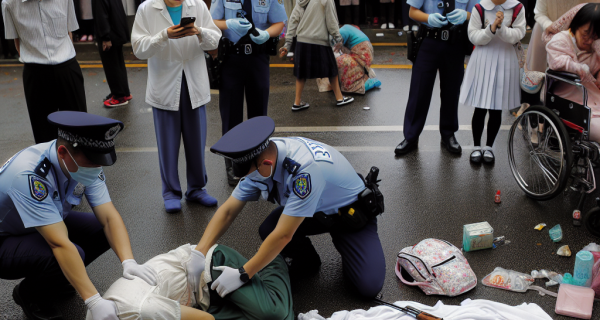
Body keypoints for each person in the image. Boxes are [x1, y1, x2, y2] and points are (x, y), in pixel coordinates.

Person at [185, 116, 386, 299]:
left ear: (266, 163)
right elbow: (228, 211)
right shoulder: (261, 158)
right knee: (268, 229)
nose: (245, 181)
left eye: (248, 175)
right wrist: (199, 252)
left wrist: (243, 274)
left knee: (368, 286)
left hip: (350, 216)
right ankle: (308, 263)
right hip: (316, 211)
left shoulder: (304, 171)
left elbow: (283, 235)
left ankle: (350, 249)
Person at [0, 111, 157, 320]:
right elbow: (59, 243)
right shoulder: (30, 175)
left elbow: (109, 217)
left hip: (37, 225)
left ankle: (59, 278)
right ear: (63, 152)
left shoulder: (82, 164)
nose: (97, 168)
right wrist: (93, 300)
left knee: (99, 230)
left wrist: (129, 262)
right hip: (5, 240)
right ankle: (31, 294)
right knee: (65, 253)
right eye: (92, 162)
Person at [131, 0, 222, 213]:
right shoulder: (147, 8)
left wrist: (199, 31)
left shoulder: (197, 5)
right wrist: (163, 36)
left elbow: (215, 39)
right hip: (164, 85)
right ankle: (171, 192)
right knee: (167, 144)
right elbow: (138, 49)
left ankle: (197, 188)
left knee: (196, 141)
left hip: (193, 82)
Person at [86, 243, 293, 320]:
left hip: (210, 269)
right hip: (198, 301)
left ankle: (273, 260)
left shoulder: (142, 311)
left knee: (275, 314)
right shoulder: (95, 315)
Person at [210, 0, 286, 187]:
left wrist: (267, 33)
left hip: (258, 60)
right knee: (231, 115)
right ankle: (234, 167)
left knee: (259, 115)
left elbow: (279, 23)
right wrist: (229, 24)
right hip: (231, 59)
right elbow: (212, 21)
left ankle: (259, 164)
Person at [394, 0, 479, 156]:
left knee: (451, 92)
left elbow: (478, 12)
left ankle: (448, 134)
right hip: (429, 41)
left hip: (455, 43)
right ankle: (411, 136)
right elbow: (412, 12)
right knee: (419, 90)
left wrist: (465, 15)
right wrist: (428, 18)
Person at [1, 0, 88, 144]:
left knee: (79, 130)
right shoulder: (9, 3)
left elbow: (69, 31)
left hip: (67, 67)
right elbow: (17, 42)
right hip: (35, 73)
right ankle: (51, 166)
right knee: (44, 137)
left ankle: (81, 165)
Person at [460, 0, 526, 164]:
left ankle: (489, 147)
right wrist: (491, 28)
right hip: (483, 59)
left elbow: (519, 34)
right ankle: (476, 146)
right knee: (480, 107)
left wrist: (502, 27)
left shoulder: (517, 7)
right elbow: (473, 36)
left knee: (496, 107)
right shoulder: (479, 7)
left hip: (505, 60)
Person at [280, 0, 355, 112]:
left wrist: (287, 44)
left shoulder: (300, 1)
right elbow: (332, 22)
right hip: (320, 40)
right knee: (332, 70)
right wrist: (339, 39)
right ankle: (340, 98)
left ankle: (297, 102)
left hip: (301, 41)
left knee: (301, 74)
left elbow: (293, 22)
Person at [545, 3, 600, 142]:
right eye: (586, 34)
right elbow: (556, 62)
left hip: (592, 95)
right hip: (567, 98)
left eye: (594, 36)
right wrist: (578, 68)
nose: (589, 40)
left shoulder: (595, 46)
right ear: (575, 26)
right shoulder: (560, 40)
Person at [93, 0, 133, 107]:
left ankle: (119, 96)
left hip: (110, 34)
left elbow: (101, 15)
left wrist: (105, 37)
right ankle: (124, 92)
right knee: (118, 63)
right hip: (117, 31)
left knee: (111, 65)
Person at [337, 25, 382, 94]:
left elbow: (337, 47)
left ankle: (359, 86)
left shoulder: (341, 31)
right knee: (359, 68)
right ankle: (367, 80)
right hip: (365, 50)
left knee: (344, 63)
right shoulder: (347, 28)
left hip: (361, 50)